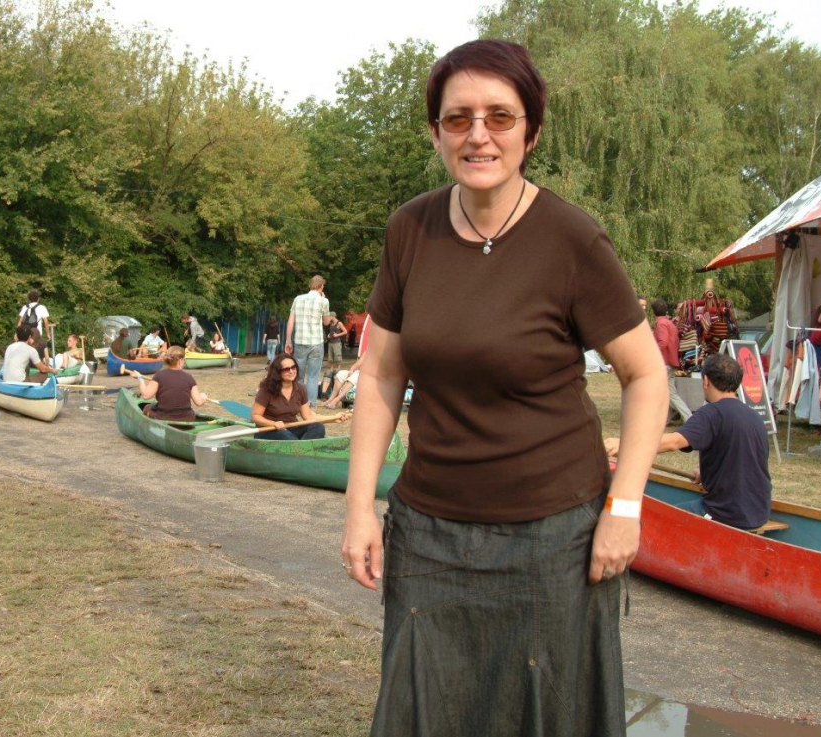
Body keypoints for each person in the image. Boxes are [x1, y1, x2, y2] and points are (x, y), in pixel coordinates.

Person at [340, 40, 667, 736]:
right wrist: (360, 507)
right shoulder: (410, 230)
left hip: (555, 538)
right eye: (458, 118)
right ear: (436, 133)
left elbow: (646, 375)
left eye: (500, 116)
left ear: (531, 131)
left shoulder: (573, 239)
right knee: (428, 710)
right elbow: (383, 374)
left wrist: (625, 506)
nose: (478, 135)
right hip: (429, 534)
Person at [607, 354, 771, 530]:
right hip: (760, 511)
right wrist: (708, 472)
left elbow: (674, 442)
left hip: (726, 513)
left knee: (658, 522)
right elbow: (748, 459)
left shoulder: (711, 414)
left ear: (706, 381)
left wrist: (625, 445)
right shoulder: (754, 417)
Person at [251, 353, 347, 440]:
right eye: (286, 369)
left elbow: (308, 416)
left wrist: (333, 418)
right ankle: (301, 449)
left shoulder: (300, 388)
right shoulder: (267, 390)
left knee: (318, 427)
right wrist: (273, 423)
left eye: (293, 367)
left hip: (291, 428)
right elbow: (255, 416)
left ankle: (299, 449)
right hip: (269, 430)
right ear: (278, 372)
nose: (291, 371)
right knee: (286, 436)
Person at [284, 275, 329, 406]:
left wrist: (288, 341)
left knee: (298, 375)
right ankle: (310, 403)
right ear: (322, 286)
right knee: (313, 376)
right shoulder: (323, 301)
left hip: (300, 342)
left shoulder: (298, 299)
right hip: (316, 342)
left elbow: (290, 321)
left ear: (310, 285)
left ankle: (297, 402)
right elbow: (326, 322)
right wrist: (324, 299)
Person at [130, 346, 209, 421]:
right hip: (187, 418)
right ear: (180, 360)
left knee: (147, 407)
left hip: (164, 417)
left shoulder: (159, 375)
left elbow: (146, 395)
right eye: (184, 360)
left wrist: (140, 378)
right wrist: (203, 396)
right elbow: (199, 402)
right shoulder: (189, 377)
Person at [652, 298, 692, 424]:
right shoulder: (670, 323)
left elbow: (663, 342)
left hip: (664, 362)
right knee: (668, 393)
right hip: (671, 361)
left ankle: (689, 417)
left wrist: (652, 352)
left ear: (653, 312)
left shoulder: (661, 324)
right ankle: (667, 419)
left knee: (666, 393)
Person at [17, 290, 51, 357]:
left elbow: (20, 322)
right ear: (38, 298)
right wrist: (48, 334)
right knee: (36, 350)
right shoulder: (42, 307)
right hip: (36, 333)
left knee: (25, 350)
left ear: (29, 298)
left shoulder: (25, 307)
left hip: (25, 333)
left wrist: (17, 333)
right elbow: (46, 322)